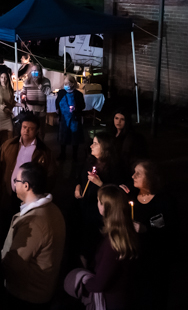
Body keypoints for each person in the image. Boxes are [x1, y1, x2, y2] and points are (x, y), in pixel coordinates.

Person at [1, 162, 66, 309]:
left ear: (26, 186)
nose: (14, 183)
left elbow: (15, 264)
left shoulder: (34, 223)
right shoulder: (53, 209)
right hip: (42, 289)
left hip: (27, 295)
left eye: (16, 180)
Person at [0, 115, 56, 229]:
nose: (26, 130)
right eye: (24, 127)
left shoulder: (43, 152)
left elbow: (51, 175)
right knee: (6, 223)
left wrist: (40, 194)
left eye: (31, 128)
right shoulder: (8, 145)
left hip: (29, 197)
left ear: (37, 131)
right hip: (9, 193)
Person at [125, 160, 177, 310]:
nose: (133, 176)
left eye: (138, 174)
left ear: (150, 178)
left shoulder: (163, 202)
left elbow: (168, 231)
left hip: (156, 259)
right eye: (134, 172)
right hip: (135, 259)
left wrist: (146, 229)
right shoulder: (133, 197)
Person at [80, 185, 139, 309]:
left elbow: (99, 284)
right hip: (126, 296)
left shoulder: (113, 243)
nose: (97, 204)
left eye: (99, 201)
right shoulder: (128, 231)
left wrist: (81, 280)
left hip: (111, 301)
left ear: (106, 207)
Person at [74, 132, 124, 261]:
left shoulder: (114, 167)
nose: (91, 146)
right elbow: (80, 176)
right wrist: (78, 186)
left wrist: (100, 183)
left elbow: (115, 191)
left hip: (99, 212)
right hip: (84, 205)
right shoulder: (90, 161)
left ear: (105, 147)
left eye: (95, 143)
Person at [56, 75, 85, 162]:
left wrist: (76, 108)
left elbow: (83, 106)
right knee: (63, 137)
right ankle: (62, 154)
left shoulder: (78, 94)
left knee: (74, 137)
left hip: (74, 119)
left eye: (68, 83)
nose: (66, 85)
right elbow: (57, 101)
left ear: (73, 83)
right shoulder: (61, 92)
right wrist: (57, 109)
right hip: (64, 119)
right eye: (65, 83)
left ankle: (75, 155)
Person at [111, 109, 148, 174]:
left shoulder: (130, 137)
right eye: (116, 118)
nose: (118, 121)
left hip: (124, 168)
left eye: (122, 119)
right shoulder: (112, 134)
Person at [19, 65, 50, 140]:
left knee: (41, 131)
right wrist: (23, 102)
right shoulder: (27, 81)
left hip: (41, 110)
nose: (35, 73)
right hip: (30, 110)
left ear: (40, 72)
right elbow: (23, 93)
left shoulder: (45, 81)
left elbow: (48, 92)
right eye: (33, 71)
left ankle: (40, 147)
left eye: (37, 71)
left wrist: (40, 85)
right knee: (31, 130)